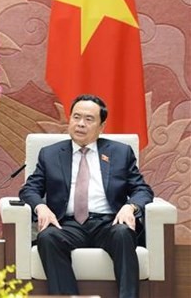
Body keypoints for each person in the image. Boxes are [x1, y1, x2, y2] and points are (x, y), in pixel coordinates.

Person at [19, 94, 154, 298]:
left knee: (124, 233)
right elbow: (29, 189)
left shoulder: (120, 152)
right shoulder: (49, 154)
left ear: (101, 127)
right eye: (76, 117)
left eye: (89, 119)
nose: (81, 124)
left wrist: (130, 207)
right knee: (47, 237)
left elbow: (142, 190)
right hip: (68, 224)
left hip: (109, 222)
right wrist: (41, 207)